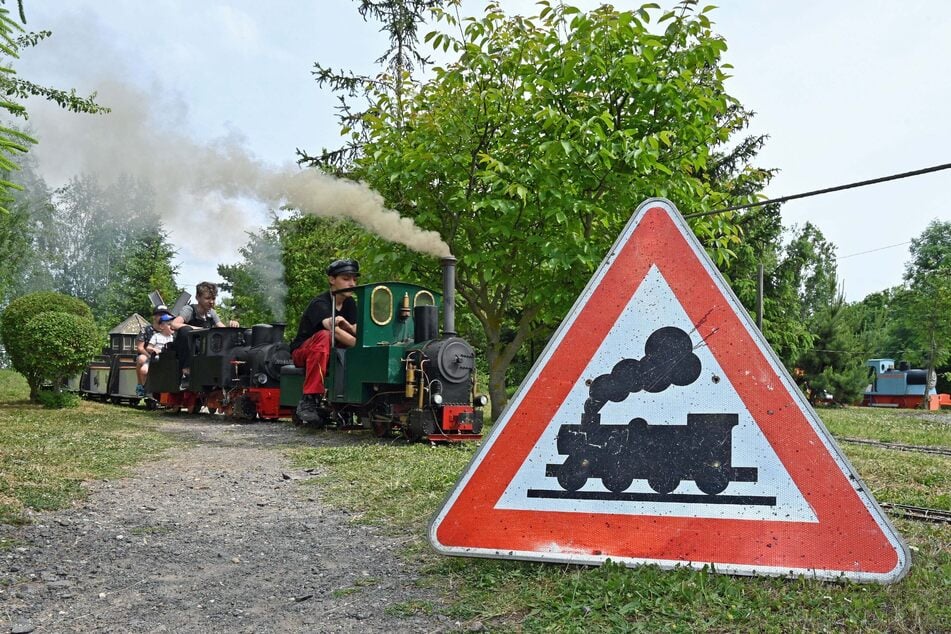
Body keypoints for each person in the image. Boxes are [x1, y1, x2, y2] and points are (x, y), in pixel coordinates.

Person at [290, 259, 360, 422]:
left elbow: (357, 330)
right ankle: (309, 400)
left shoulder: (350, 304)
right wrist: (361, 347)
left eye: (354, 279)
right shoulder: (320, 303)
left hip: (331, 353)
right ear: (331, 280)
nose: (352, 283)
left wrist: (351, 329)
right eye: (346, 278)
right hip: (303, 352)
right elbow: (334, 331)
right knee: (325, 336)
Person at [135, 305, 174, 397]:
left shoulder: (170, 330)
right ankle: (140, 385)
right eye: (160, 314)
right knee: (141, 359)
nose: (162, 316)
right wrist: (150, 356)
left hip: (164, 355)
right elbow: (140, 348)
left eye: (165, 314)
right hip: (147, 354)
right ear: (154, 316)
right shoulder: (146, 330)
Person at [169, 281, 240, 331]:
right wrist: (200, 330)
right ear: (197, 297)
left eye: (213, 298)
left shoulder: (211, 313)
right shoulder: (189, 310)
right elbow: (174, 324)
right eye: (207, 298)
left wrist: (232, 327)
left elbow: (222, 329)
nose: (211, 302)